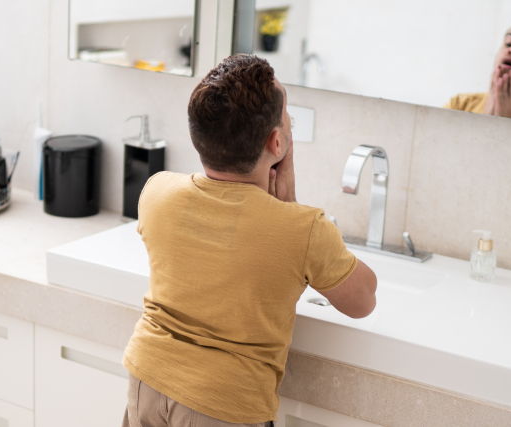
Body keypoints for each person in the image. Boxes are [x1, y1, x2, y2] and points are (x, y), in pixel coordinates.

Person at [122, 55, 379, 427]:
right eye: (286, 117)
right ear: (277, 142)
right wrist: (290, 207)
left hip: (145, 381)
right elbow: (364, 301)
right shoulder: (303, 229)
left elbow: (221, 246)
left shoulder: (157, 192)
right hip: (222, 404)